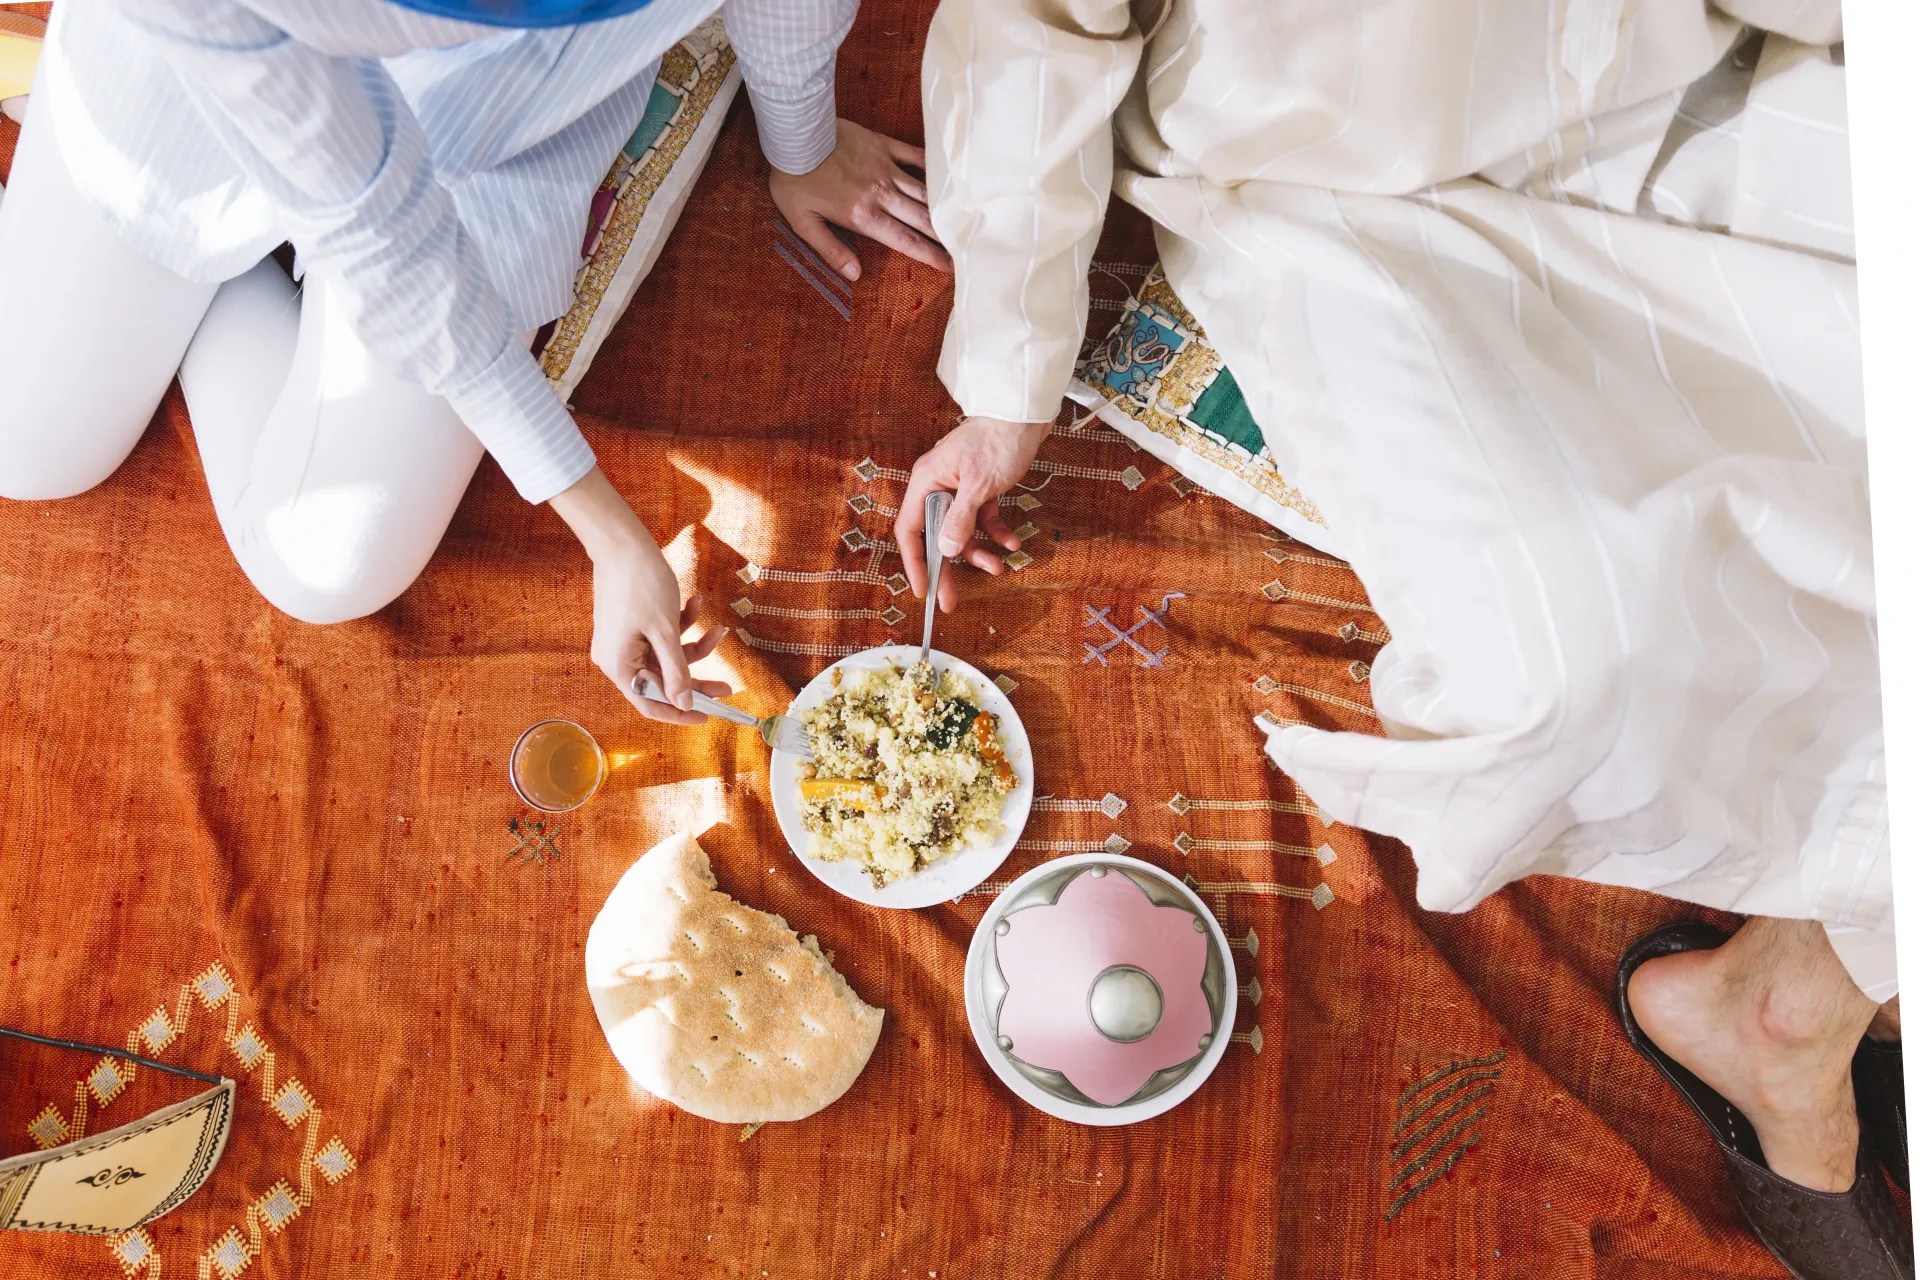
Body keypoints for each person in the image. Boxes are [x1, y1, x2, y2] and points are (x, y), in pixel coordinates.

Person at [899, 0, 1904, 1272]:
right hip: (1326, 174)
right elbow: (1030, 25)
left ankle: (1804, 991)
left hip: (1687, 68)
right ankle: (1832, 976)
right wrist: (1004, 387)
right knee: (1584, 650)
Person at [0, 0, 949, 724]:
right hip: (202, 83)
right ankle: (220, 262)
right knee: (27, 448)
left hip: (496, 135)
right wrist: (611, 532)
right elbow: (382, 237)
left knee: (329, 570)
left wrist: (801, 142)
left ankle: (216, 285)